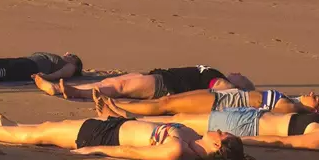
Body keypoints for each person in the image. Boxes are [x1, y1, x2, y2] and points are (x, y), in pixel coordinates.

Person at [0, 102, 244, 160]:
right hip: (112, 125)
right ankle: (8, 125)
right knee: (51, 125)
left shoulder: (177, 151)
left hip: (104, 137)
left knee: (44, 133)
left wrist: (95, 149)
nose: (219, 130)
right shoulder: (193, 136)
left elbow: (132, 152)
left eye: (223, 134)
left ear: (219, 146)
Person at [95, 92, 319, 152]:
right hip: (250, 118)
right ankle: (120, 114)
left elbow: (283, 141)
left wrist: (242, 140)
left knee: (182, 122)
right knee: (180, 118)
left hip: (247, 128)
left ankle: (121, 117)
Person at [33, 64, 249, 100]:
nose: (238, 72)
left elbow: (223, 90)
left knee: (118, 88)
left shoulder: (219, 80)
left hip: (166, 86)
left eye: (242, 77)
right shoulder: (215, 74)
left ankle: (72, 92)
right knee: (111, 80)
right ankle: (65, 89)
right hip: (159, 75)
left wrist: (241, 92)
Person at [97, 87, 319, 119]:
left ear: (314, 108)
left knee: (166, 104)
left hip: (222, 103)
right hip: (224, 96)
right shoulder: (291, 102)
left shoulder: (289, 108)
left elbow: (256, 113)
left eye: (315, 97)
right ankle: (118, 107)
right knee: (166, 103)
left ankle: (118, 107)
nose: (311, 92)